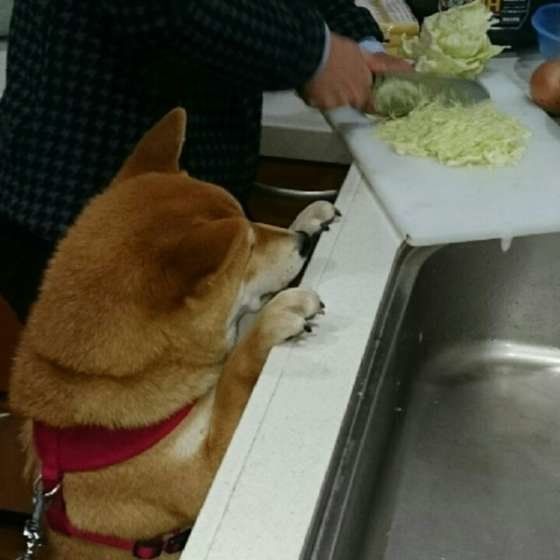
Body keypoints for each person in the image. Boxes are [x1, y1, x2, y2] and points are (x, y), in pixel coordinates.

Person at [0, 0, 410, 323]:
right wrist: (315, 55)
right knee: (125, 401)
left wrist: (362, 48)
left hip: (191, 209)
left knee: (199, 393)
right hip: (89, 214)